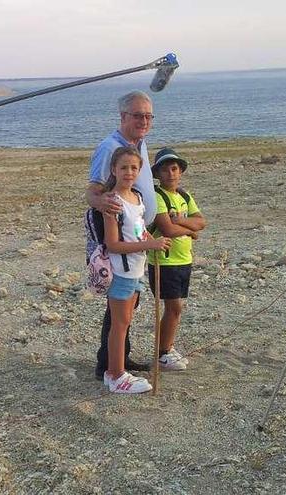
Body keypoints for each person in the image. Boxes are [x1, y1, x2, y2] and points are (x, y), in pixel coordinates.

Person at [87, 91, 157, 380]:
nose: (144, 120)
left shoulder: (137, 144)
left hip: (137, 236)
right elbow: (93, 191)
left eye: (148, 116)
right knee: (119, 304)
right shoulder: (110, 148)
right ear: (123, 117)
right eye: (138, 115)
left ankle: (121, 358)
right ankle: (110, 366)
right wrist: (104, 204)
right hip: (119, 242)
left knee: (129, 303)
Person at [101, 147, 170, 393]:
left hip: (136, 270)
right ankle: (118, 376)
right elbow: (113, 244)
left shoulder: (137, 198)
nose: (129, 172)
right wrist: (150, 244)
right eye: (123, 168)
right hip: (121, 271)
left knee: (125, 321)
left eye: (133, 168)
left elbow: (137, 230)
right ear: (113, 170)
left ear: (140, 171)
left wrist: (149, 238)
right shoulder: (113, 202)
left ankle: (112, 372)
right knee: (119, 325)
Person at [146, 148, 207, 371]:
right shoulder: (157, 196)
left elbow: (201, 222)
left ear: (180, 171)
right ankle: (162, 353)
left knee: (176, 308)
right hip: (164, 262)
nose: (171, 173)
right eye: (165, 169)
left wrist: (181, 221)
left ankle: (167, 348)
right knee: (174, 307)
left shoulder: (184, 195)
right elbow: (167, 229)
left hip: (184, 260)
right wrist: (189, 230)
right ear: (158, 174)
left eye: (174, 168)